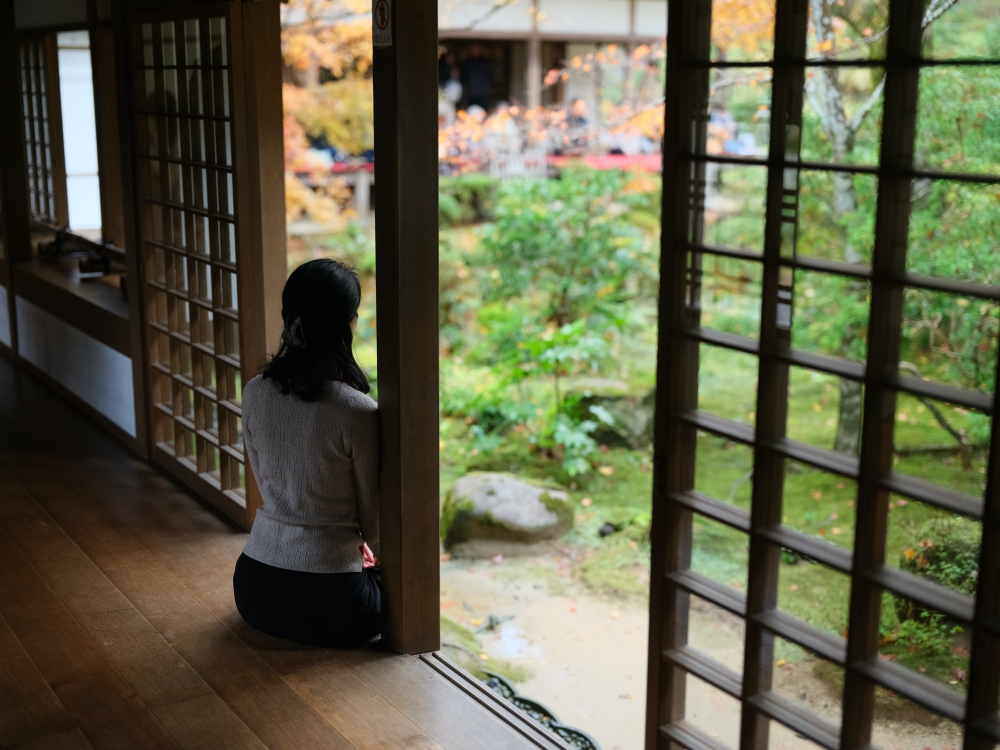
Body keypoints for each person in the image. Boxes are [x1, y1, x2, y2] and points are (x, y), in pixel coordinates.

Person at [232, 259, 381, 648]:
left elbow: (265, 479)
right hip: (334, 604)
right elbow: (374, 520)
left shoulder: (254, 392)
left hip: (254, 591)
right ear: (349, 323)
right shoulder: (356, 411)